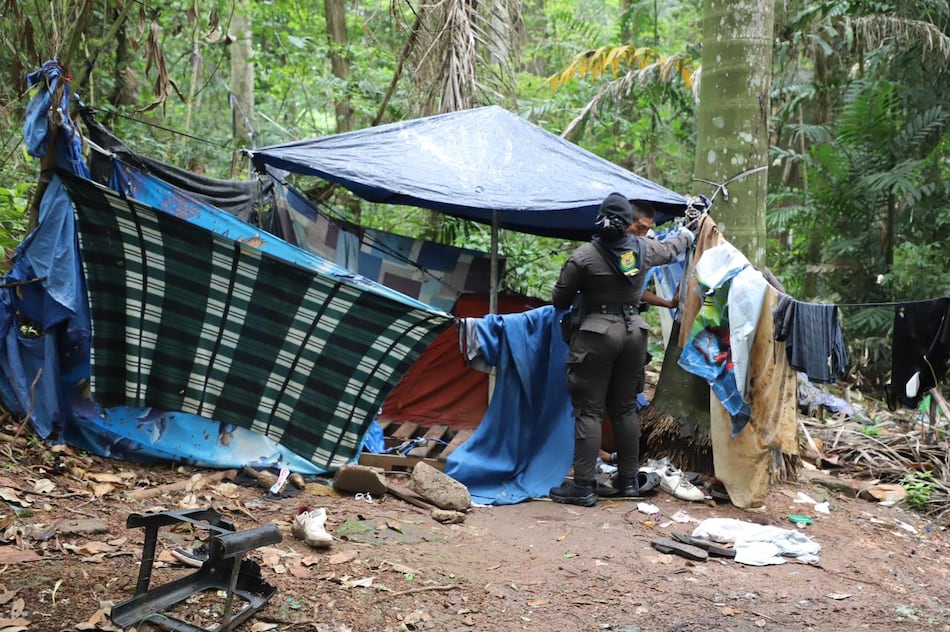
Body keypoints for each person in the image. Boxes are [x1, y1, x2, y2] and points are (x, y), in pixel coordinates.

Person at [549, 193, 694, 506]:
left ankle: (584, 486)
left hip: (595, 336)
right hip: (633, 334)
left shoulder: (584, 256)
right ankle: (628, 480)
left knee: (589, 410)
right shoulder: (644, 249)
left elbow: (559, 300)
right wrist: (688, 232)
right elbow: (672, 250)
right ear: (629, 222)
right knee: (626, 408)